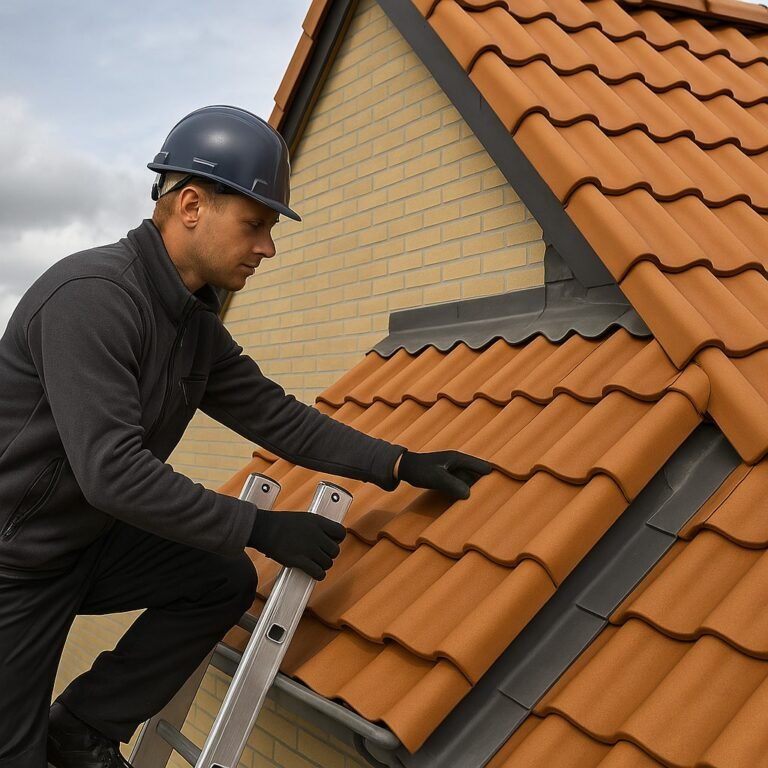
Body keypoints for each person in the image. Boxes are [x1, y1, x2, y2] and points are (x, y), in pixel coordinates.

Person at [0, 105, 491, 768]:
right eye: (255, 224)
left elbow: (274, 416)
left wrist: (400, 463)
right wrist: (260, 529)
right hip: (15, 563)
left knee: (216, 578)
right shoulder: (93, 298)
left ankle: (82, 725)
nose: (267, 247)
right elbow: (113, 472)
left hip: (86, 542)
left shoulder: (189, 326)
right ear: (192, 205)